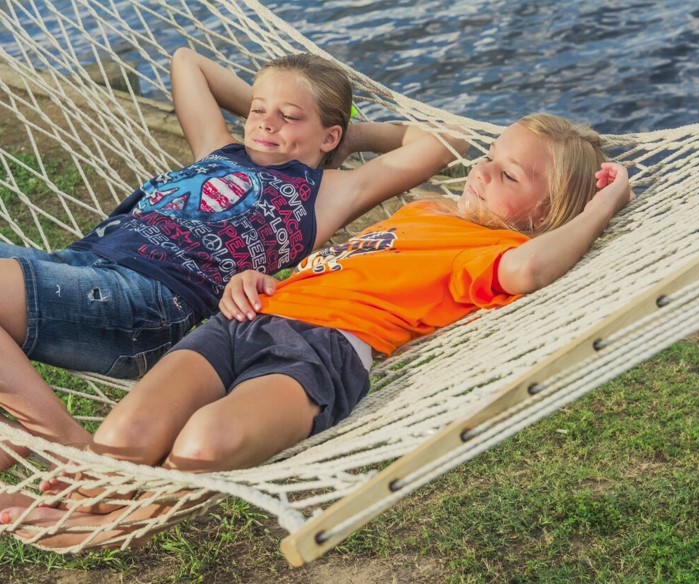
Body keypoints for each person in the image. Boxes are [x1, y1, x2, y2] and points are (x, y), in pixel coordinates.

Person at [0, 113, 635, 546]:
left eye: (508, 176)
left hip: (318, 351)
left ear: (548, 213)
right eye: (491, 156)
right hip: (251, 315)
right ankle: (89, 494)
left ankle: (108, 522)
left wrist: (605, 203)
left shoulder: (486, 254)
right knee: (123, 434)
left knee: (204, 444)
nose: (483, 171)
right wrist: (249, 277)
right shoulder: (425, 212)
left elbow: (528, 270)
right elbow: (334, 267)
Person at [0, 47, 465, 471]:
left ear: (329, 136)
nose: (265, 123)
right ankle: (16, 435)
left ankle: (59, 437)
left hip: (146, 302)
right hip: (76, 267)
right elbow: (187, 61)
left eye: (289, 117)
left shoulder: (327, 193)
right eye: (259, 110)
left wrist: (348, 137)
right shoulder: (218, 149)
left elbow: (451, 140)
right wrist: (275, 111)